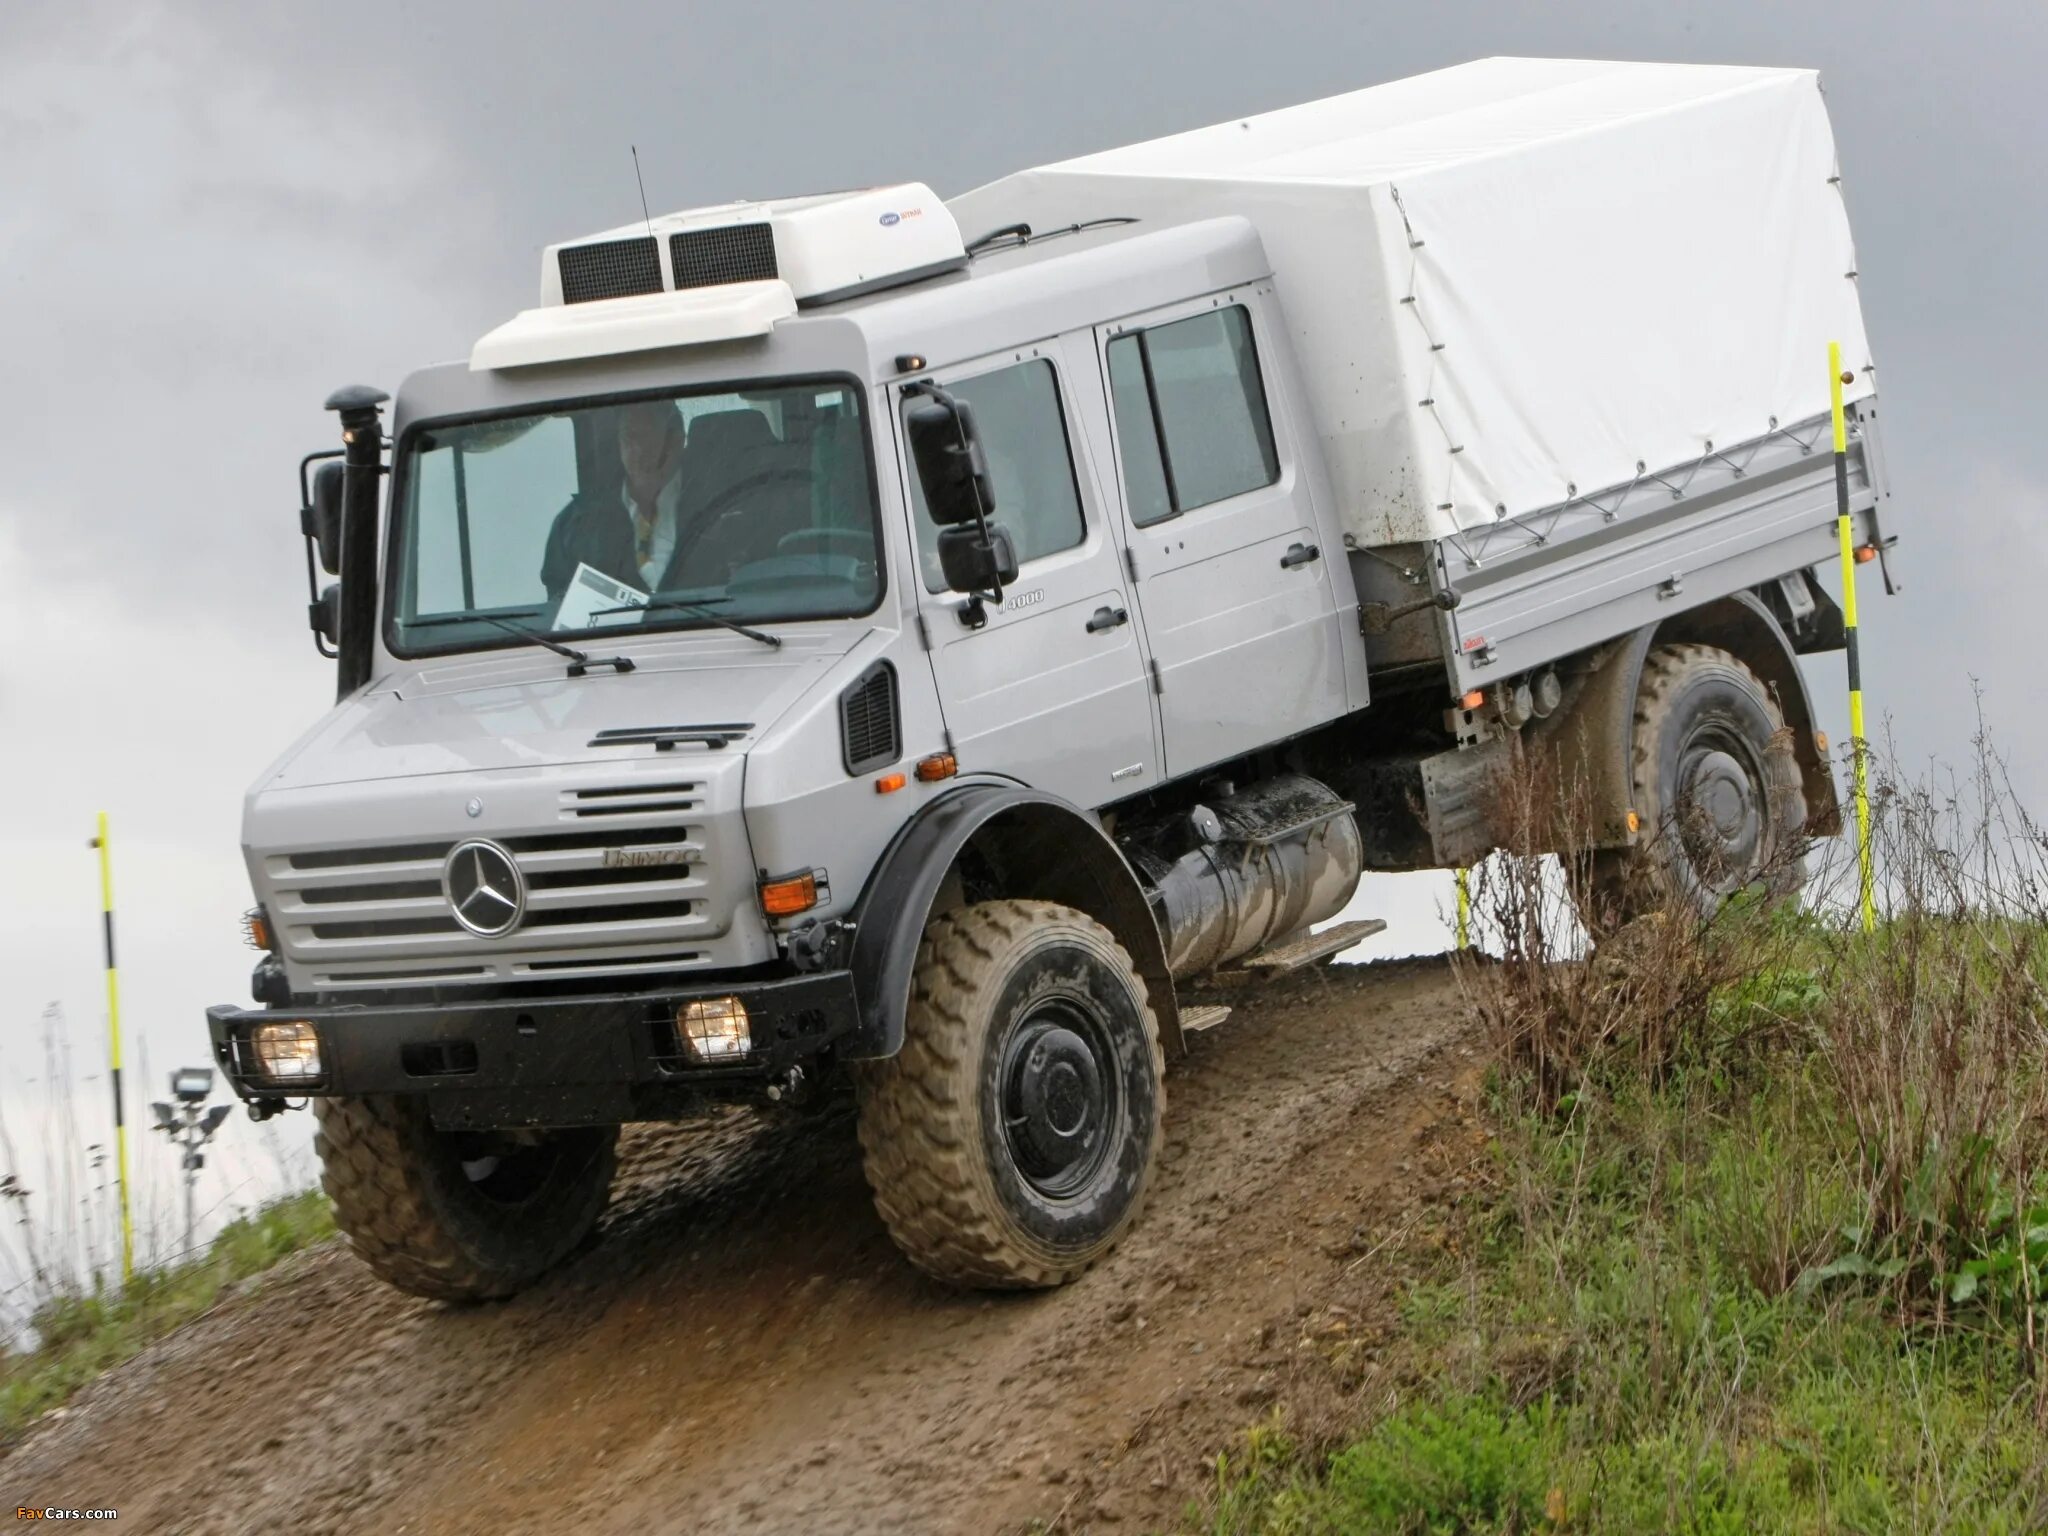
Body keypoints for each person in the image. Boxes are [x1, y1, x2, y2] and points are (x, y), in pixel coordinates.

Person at [538, 399, 690, 605]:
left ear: (677, 439)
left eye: (646, 438)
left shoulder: (718, 506)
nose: (638, 451)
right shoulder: (573, 527)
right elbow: (558, 610)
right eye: (629, 438)